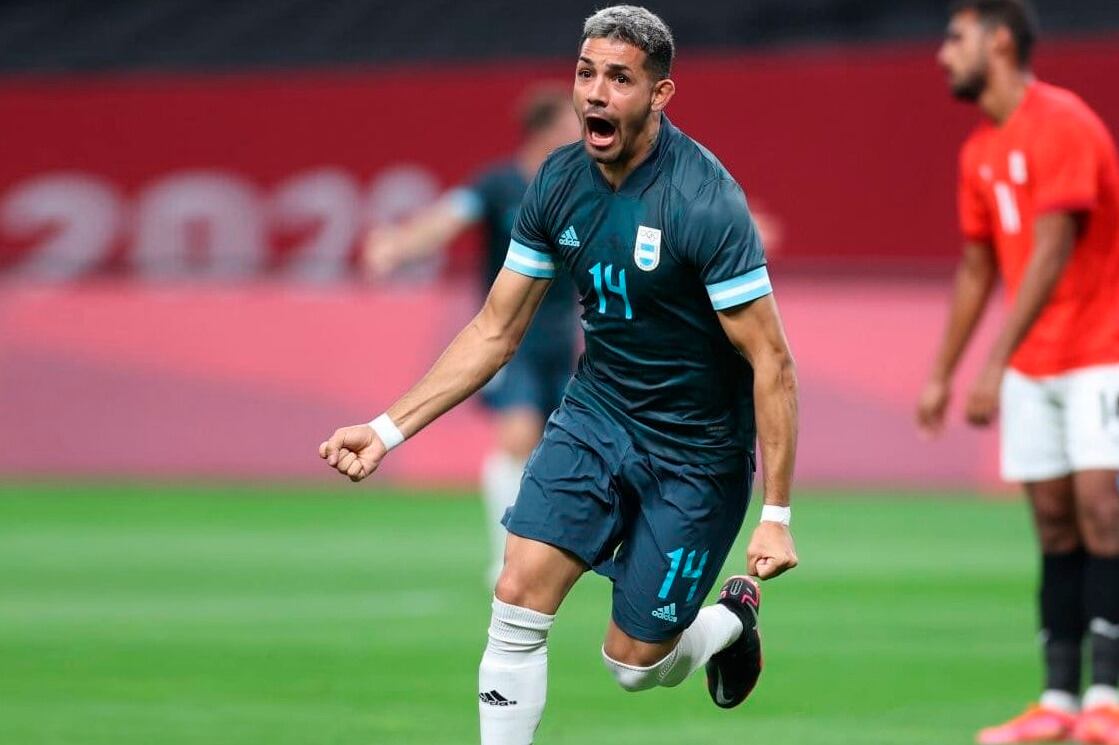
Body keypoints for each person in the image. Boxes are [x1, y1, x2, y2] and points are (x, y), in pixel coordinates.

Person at [320, 6, 799, 744]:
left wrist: (776, 513)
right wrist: (387, 430)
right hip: (595, 418)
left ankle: (729, 624)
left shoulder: (702, 201)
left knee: (634, 664)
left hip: (695, 453)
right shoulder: (557, 181)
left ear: (660, 94)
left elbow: (771, 359)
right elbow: (493, 328)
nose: (595, 94)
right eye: (585, 74)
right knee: (516, 595)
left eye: (618, 78)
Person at [918, 2, 1119, 743]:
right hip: (1036, 361)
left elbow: (1051, 247)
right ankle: (1058, 700)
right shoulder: (978, 150)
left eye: (955, 37)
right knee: (1052, 521)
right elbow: (977, 266)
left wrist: (990, 362)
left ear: (998, 41)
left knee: (1102, 509)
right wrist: (942, 370)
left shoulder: (1061, 121)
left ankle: (1108, 697)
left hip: (1100, 348)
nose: (942, 54)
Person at [365, 87, 581, 585]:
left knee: (563, 447)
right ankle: (505, 555)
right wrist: (399, 246)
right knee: (517, 436)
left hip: (564, 340)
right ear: (547, 130)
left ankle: (554, 548)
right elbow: (448, 219)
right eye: (573, 122)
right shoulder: (498, 184)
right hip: (510, 340)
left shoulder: (579, 186)